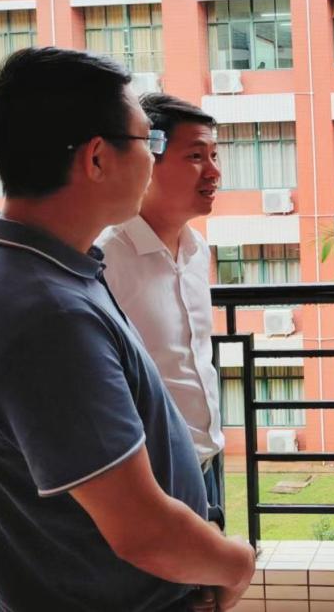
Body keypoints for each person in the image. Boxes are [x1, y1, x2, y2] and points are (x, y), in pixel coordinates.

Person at [0, 47, 255, 611]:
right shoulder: (46, 313)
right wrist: (236, 563)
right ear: (96, 158)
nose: (153, 160)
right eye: (147, 142)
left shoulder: (44, 269)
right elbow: (144, 531)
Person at [98, 94, 226, 527]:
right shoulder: (107, 258)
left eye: (214, 155)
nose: (214, 172)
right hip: (151, 476)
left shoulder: (196, 249)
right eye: (196, 156)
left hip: (207, 459)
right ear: (148, 160)